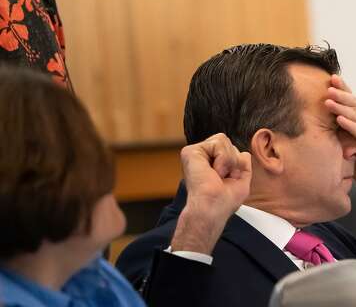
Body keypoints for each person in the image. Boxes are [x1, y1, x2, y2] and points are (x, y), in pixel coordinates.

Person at [116, 43, 356, 306]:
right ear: (270, 149)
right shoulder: (173, 255)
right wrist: (195, 236)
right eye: (335, 128)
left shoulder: (335, 242)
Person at [0, 67, 251, 306]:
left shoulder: (92, 274)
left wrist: (203, 215)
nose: (105, 168)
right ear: (30, 181)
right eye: (82, 150)